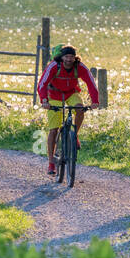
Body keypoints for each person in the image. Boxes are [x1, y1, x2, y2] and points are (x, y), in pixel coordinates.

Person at [37, 44, 99, 175]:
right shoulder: (54, 66)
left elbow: (91, 83)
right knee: (53, 130)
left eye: (71, 57)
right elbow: (42, 84)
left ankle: (74, 134)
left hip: (71, 93)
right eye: (66, 56)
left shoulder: (80, 67)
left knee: (80, 109)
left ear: (75, 58)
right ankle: (51, 163)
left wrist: (95, 101)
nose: (69, 59)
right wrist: (44, 100)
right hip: (54, 95)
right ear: (62, 57)